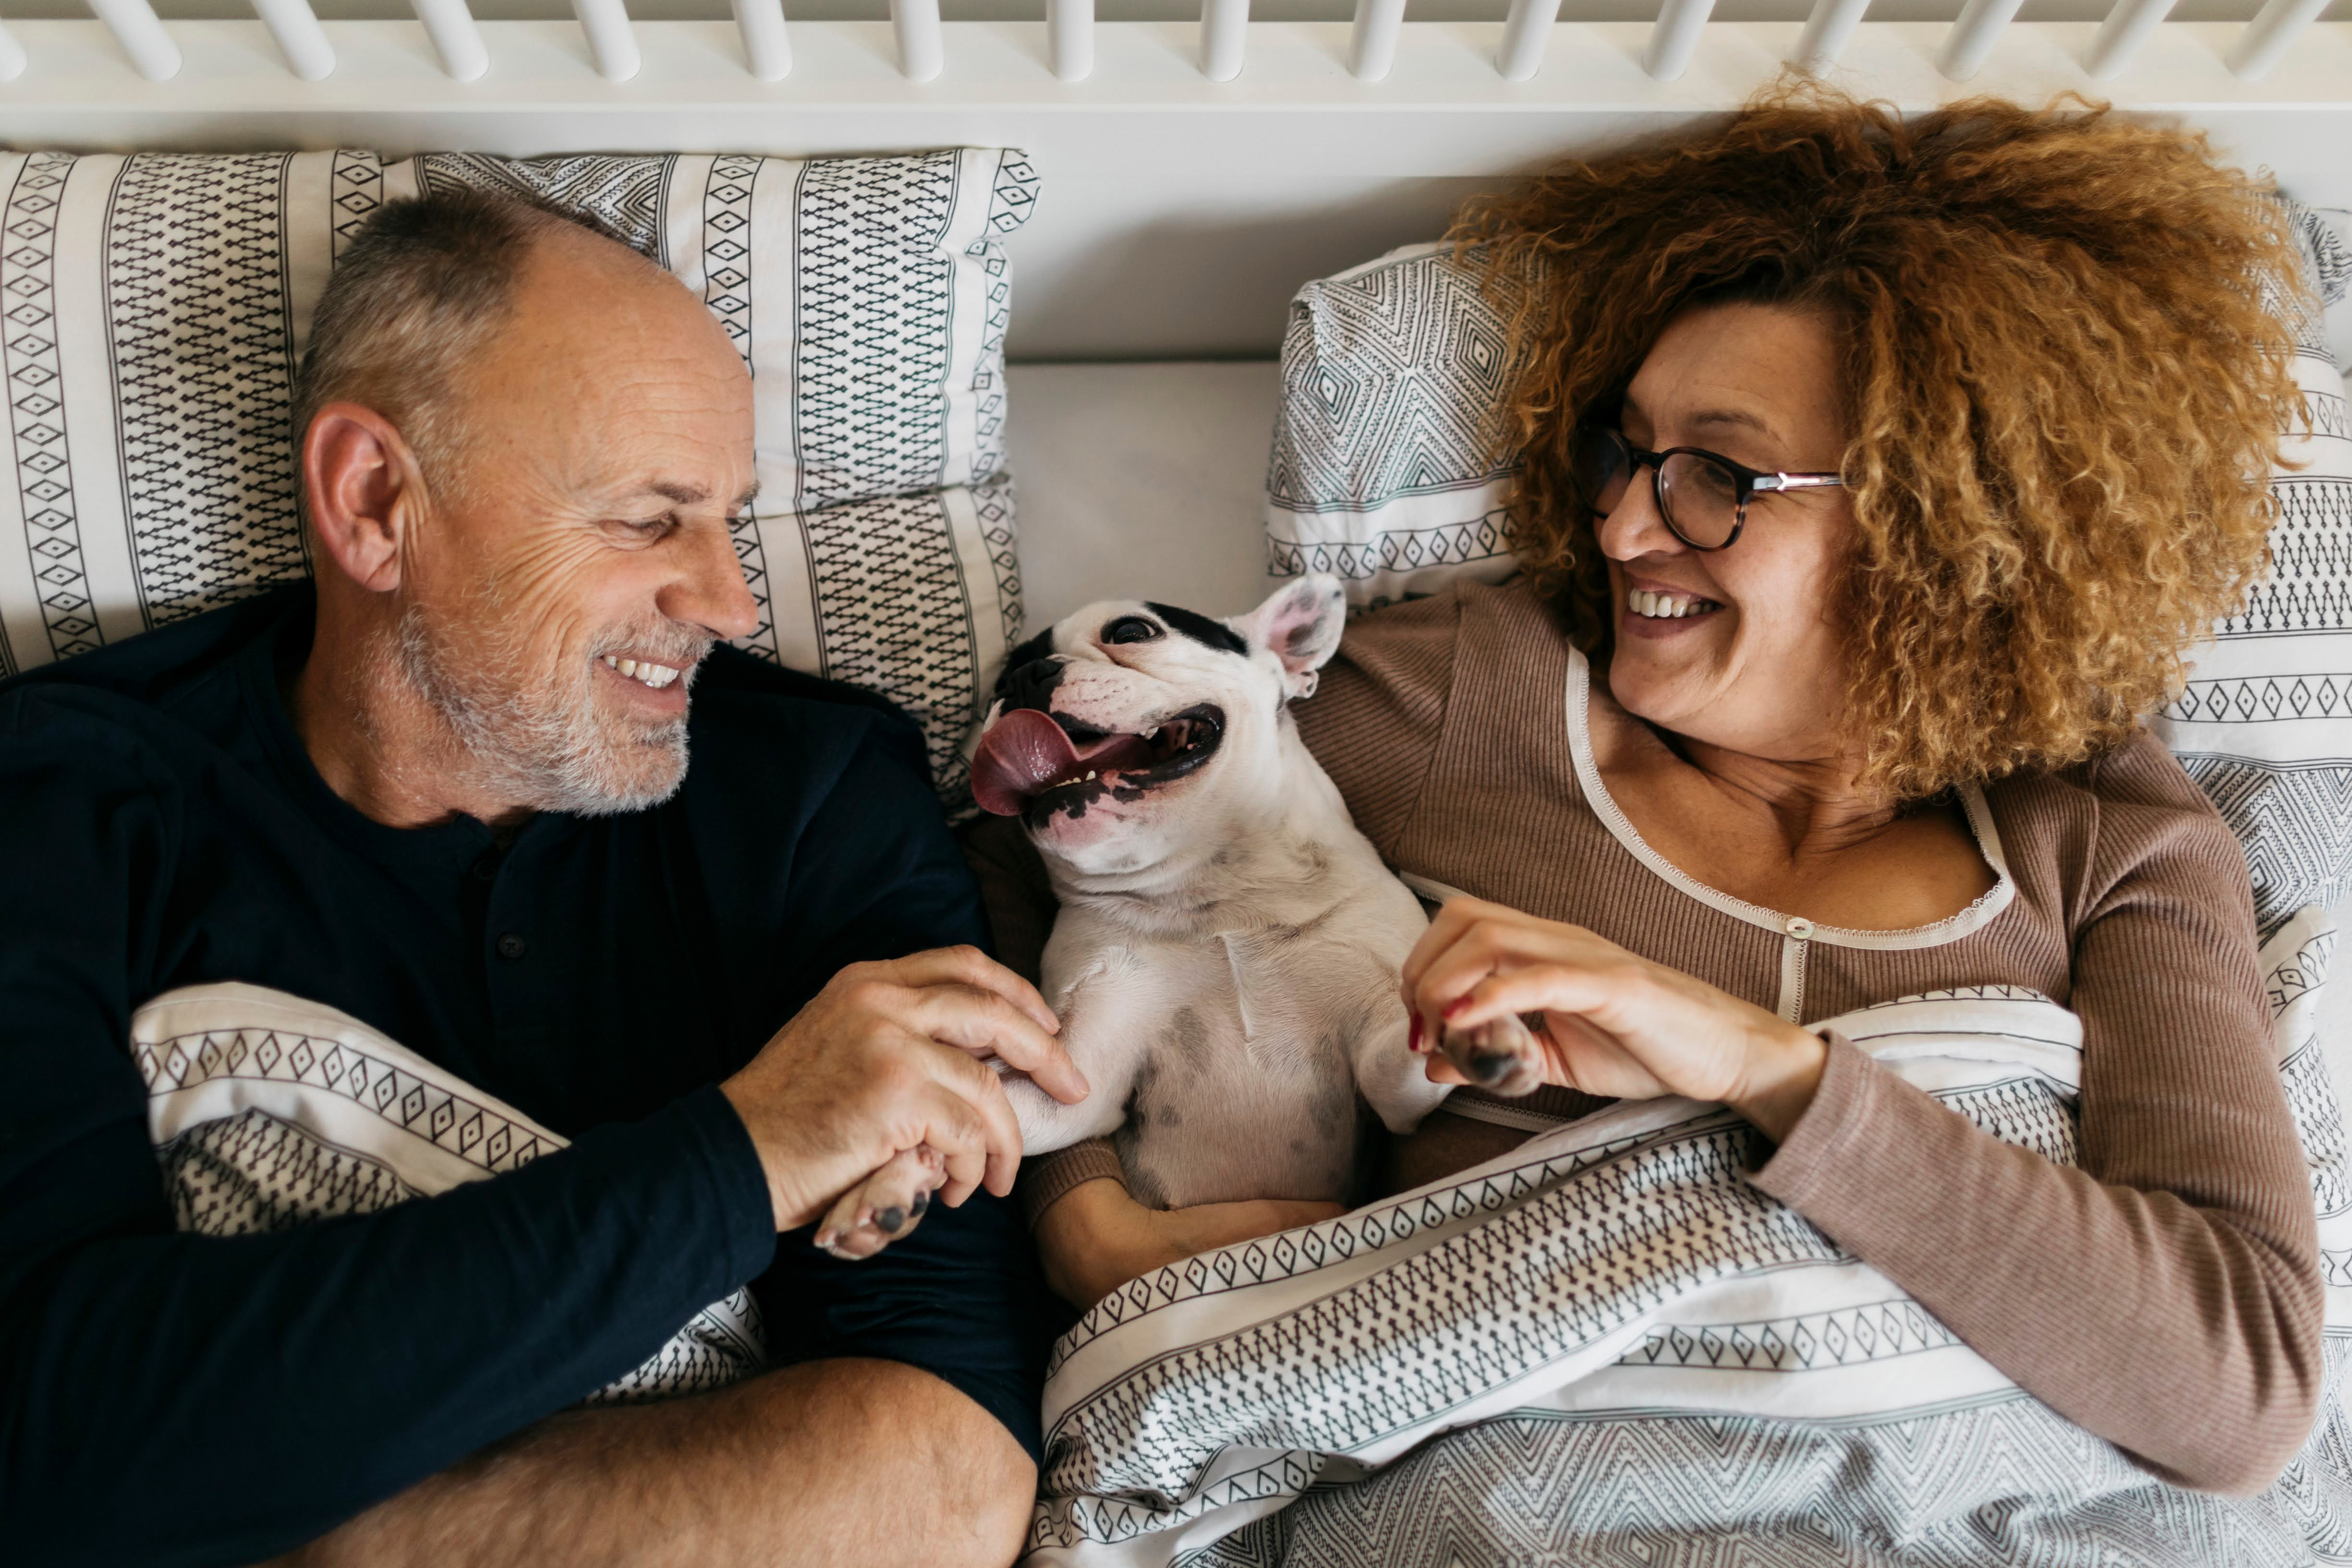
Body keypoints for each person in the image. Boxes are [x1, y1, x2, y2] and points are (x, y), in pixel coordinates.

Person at [993, 90, 2325, 1497]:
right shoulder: (1466, 701)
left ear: (1940, 520)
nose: (1622, 525)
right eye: (1622, 453)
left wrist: (1750, 1063)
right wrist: (1079, 1216)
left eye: (1715, 475)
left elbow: (2236, 1386)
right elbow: (1006, 849)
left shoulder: (2111, 839)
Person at [0, 188, 1087, 1568]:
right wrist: (750, 1152)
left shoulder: (817, 798)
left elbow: (942, 1477)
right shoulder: (62, 807)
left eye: (730, 520)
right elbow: (38, 1444)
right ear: (375, 500)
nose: (731, 601)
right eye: (650, 519)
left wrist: (242, 1507)